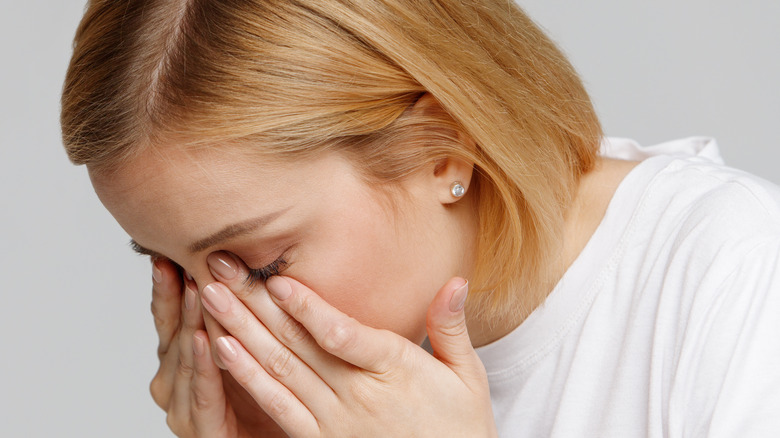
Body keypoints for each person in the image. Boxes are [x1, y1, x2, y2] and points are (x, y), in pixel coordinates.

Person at [60, 0, 780, 436]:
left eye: (260, 265)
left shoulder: (733, 274)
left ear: (446, 151)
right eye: (172, 271)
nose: (221, 335)